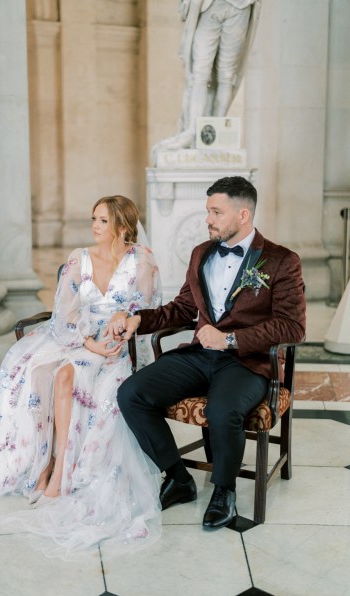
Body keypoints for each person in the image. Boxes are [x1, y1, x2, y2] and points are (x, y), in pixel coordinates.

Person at [0, 195, 163, 554]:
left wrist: (120, 327)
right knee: (38, 371)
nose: (95, 226)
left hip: (118, 346)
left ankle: (60, 473)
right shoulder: (78, 260)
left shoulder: (141, 260)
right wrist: (89, 342)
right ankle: (48, 465)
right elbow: (63, 316)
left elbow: (144, 309)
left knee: (74, 379)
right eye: (94, 219)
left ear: (122, 226)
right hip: (78, 339)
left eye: (102, 220)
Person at [110, 176, 306, 530]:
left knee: (223, 409)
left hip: (248, 362)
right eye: (208, 211)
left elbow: (292, 327)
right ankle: (178, 477)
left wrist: (231, 340)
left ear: (243, 214)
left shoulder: (282, 261)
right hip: (200, 356)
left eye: (216, 211)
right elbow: (184, 308)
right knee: (131, 393)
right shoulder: (202, 253)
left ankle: (223, 492)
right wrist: (140, 319)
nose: (208, 219)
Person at [153, 0, 261, 155]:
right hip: (211, 5)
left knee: (225, 75)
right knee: (201, 72)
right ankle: (192, 131)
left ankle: (217, 133)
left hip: (239, 7)